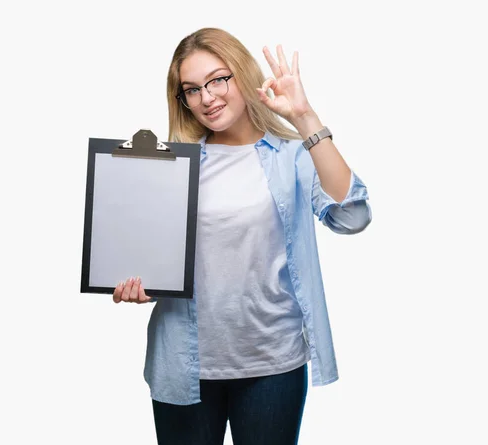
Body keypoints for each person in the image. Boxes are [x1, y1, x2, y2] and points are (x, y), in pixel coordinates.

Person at [112, 27, 372, 445]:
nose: (207, 98)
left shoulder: (292, 156)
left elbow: (352, 215)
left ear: (243, 75)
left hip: (272, 364)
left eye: (218, 79)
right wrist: (140, 283)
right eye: (192, 89)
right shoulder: (173, 166)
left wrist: (304, 117)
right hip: (185, 362)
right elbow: (157, 258)